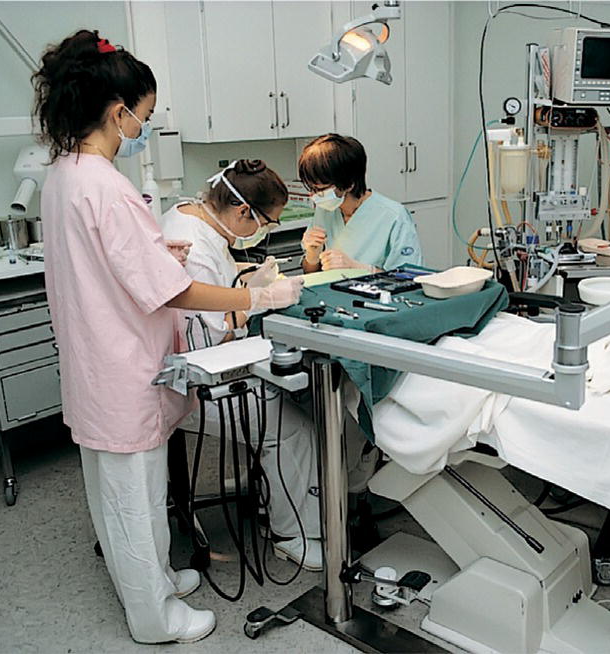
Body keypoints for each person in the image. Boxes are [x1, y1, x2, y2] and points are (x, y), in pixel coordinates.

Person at [33, 30, 303, 644]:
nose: (144, 127)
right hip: (123, 368)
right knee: (134, 499)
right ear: (117, 110)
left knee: (117, 496)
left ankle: (151, 577)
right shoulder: (105, 186)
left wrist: (158, 249)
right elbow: (173, 292)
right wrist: (256, 295)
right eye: (145, 116)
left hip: (93, 363)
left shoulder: (65, 176)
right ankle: (154, 616)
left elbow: (98, 262)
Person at [160, 159, 322, 571]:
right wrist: (257, 300)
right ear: (243, 211)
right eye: (267, 223)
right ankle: (291, 534)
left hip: (184, 360)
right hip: (191, 383)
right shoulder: (192, 246)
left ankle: (278, 497)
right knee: (291, 424)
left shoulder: (191, 216)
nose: (265, 231)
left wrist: (250, 277)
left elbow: (221, 284)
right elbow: (215, 338)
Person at [298, 134, 422, 273]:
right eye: (311, 188)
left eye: (320, 189)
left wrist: (359, 268)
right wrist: (312, 257)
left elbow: (409, 277)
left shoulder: (394, 216)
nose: (313, 195)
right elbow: (310, 272)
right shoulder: (325, 209)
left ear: (349, 184)